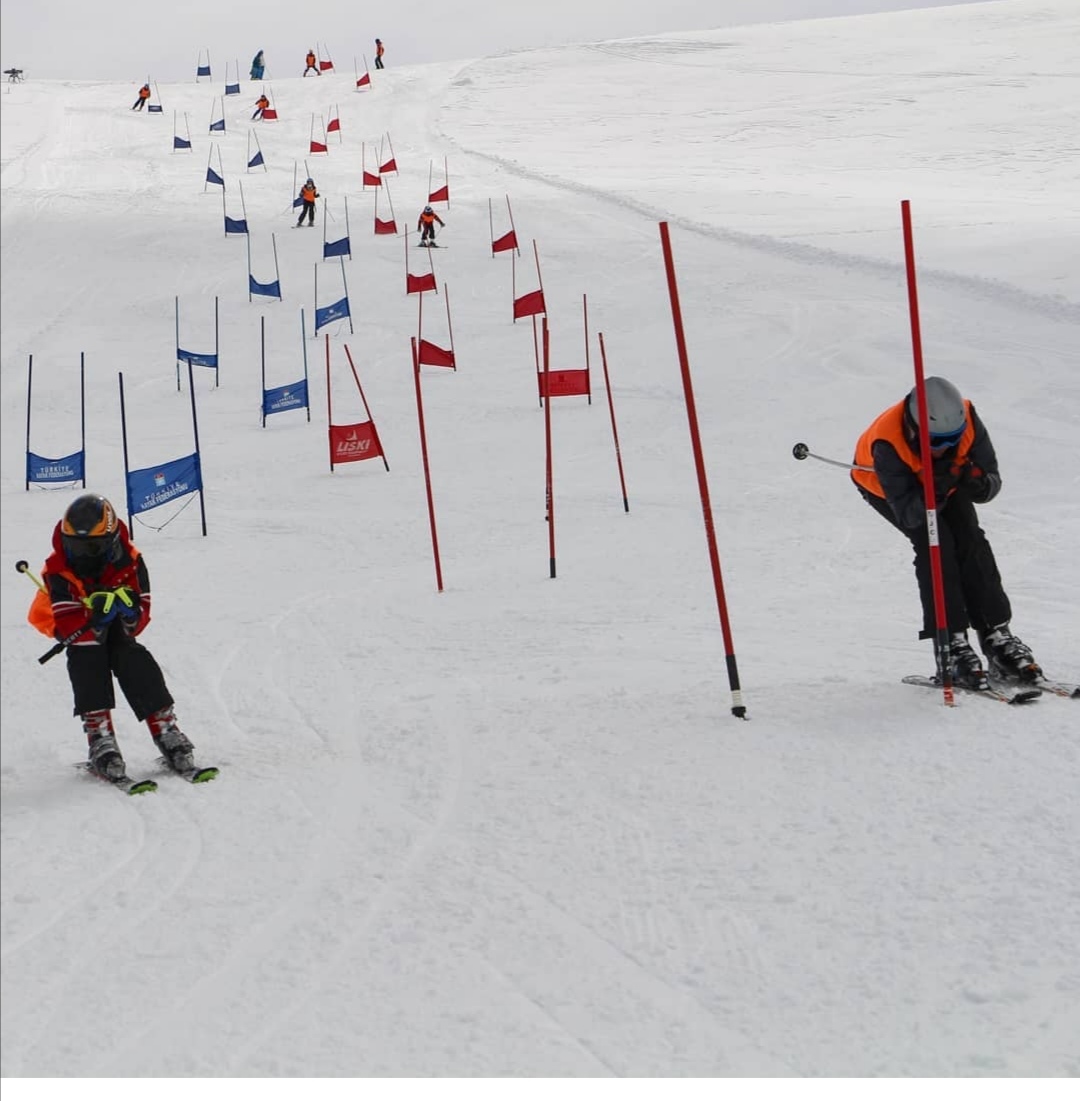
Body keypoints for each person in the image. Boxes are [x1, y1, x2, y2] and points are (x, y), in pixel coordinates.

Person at [851, 376, 1041, 689]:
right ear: (916, 428)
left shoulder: (968, 420)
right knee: (934, 544)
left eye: (951, 440)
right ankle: (951, 643)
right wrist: (934, 490)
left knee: (971, 541)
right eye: (935, 442)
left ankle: (996, 635)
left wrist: (973, 481)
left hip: (944, 484)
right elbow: (912, 515)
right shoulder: (888, 443)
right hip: (888, 490)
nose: (945, 448)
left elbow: (991, 484)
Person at [26, 494, 196, 780]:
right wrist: (93, 620)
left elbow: (141, 614)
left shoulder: (129, 560)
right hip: (82, 634)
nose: (80, 555)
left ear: (109, 542)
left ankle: (165, 728)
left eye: (90, 548)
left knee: (131, 654)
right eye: (74, 547)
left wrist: (129, 614)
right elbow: (66, 623)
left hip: (117, 631)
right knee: (86, 657)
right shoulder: (58, 569)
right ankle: (100, 737)